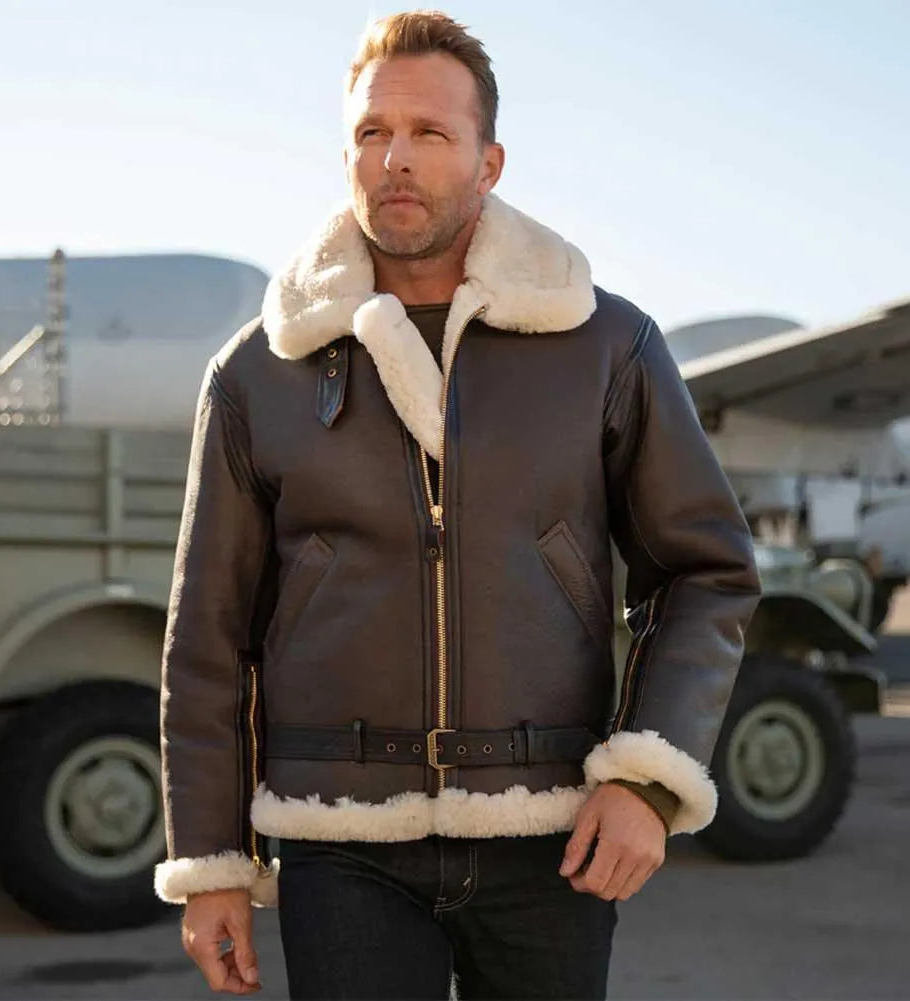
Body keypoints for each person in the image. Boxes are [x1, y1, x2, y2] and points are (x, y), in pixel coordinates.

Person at [155, 10, 761, 999]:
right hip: (338, 839)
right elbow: (207, 639)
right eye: (371, 132)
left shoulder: (605, 344)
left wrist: (645, 776)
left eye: (429, 132)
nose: (395, 158)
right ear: (346, 154)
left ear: (488, 162)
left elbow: (704, 570)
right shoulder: (259, 370)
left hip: (551, 830)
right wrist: (211, 862)